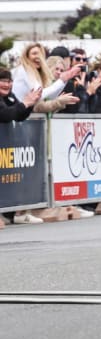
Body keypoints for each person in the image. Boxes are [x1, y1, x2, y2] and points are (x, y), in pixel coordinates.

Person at [0, 68, 43, 224]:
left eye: (9, 81)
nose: (6, 84)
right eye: (3, 81)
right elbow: (4, 115)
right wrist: (25, 103)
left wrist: (30, 104)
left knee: (12, 179)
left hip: (7, 149)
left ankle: (13, 213)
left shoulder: (10, 96)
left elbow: (19, 115)